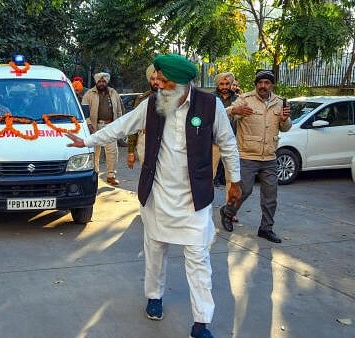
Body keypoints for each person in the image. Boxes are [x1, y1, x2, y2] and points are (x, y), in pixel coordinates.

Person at [66, 54, 241, 338]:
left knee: (198, 259)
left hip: (194, 199)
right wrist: (86, 141)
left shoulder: (211, 106)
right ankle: (154, 296)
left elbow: (228, 143)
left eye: (162, 79)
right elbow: (120, 126)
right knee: (155, 251)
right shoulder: (151, 104)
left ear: (181, 83)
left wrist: (235, 179)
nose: (156, 83)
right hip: (158, 195)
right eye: (156, 79)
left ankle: (201, 323)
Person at [220, 70, 292, 243]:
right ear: (256, 84)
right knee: (243, 191)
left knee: (270, 196)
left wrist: (284, 119)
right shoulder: (245, 99)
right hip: (246, 155)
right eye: (260, 83)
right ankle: (228, 213)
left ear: (271, 85)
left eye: (267, 83)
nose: (263, 86)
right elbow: (223, 113)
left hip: (269, 157)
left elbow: (286, 127)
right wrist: (234, 109)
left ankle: (266, 229)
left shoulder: (279, 102)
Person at [81, 72, 124, 185]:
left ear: (107, 82)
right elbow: (84, 111)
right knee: (95, 151)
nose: (101, 83)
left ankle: (111, 175)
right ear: (96, 82)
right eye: (99, 81)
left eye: (103, 81)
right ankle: (94, 173)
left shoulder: (113, 93)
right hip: (95, 126)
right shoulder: (89, 94)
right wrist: (89, 124)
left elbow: (119, 110)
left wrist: (119, 123)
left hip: (111, 126)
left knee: (112, 151)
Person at [211, 72, 239, 220]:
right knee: (209, 175)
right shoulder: (210, 99)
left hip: (231, 144)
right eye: (221, 84)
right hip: (214, 143)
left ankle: (230, 211)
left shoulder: (239, 99)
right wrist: (232, 111)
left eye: (227, 84)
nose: (224, 87)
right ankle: (205, 206)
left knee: (232, 178)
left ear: (231, 84)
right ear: (217, 85)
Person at [127, 64, 157, 169]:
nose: (155, 82)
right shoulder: (142, 99)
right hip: (144, 141)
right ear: (149, 80)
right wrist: (130, 151)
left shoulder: (171, 98)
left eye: (158, 78)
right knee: (146, 174)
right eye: (153, 79)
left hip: (165, 142)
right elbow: (133, 125)